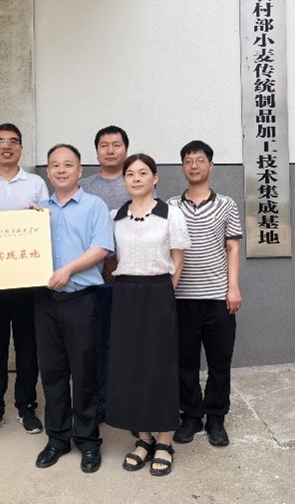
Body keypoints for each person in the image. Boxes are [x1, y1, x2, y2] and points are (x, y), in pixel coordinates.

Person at [105, 154, 190, 476]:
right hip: (125, 293)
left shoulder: (171, 214)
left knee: (160, 365)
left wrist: (166, 292)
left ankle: (165, 440)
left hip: (158, 291)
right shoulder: (115, 216)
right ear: (124, 180)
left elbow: (178, 257)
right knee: (130, 366)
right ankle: (143, 438)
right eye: (130, 174)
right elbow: (109, 257)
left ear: (155, 178)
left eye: (143, 173)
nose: (136, 178)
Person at [33, 144, 114, 473]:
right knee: (52, 373)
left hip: (82, 299)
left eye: (68, 165)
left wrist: (68, 269)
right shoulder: (38, 211)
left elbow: (102, 247)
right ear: (48, 172)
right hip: (45, 302)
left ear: (80, 171)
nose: (61, 170)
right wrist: (26, 226)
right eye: (55, 165)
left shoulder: (94, 206)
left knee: (84, 373)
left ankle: (88, 439)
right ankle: (57, 438)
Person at [0, 123, 48, 441]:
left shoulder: (36, 184)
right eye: (0, 141)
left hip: (29, 283)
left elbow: (46, 225)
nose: (7, 146)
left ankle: (26, 406)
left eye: (13, 141)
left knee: (29, 347)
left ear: (20, 148)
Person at [168, 140, 243, 447]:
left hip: (217, 298)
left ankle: (215, 417)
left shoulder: (226, 204)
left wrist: (233, 287)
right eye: (188, 161)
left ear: (211, 165)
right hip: (181, 298)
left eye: (200, 160)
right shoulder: (171, 206)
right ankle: (190, 416)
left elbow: (232, 247)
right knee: (184, 362)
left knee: (219, 362)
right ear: (182, 167)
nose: (194, 166)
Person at [79, 125, 130, 422]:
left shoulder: (135, 180)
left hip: (128, 279)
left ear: (126, 149)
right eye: (104, 145)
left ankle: (125, 402)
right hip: (91, 280)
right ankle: (100, 401)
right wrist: (103, 263)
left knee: (125, 343)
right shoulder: (84, 185)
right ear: (96, 151)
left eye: (116, 145)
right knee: (96, 344)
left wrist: (116, 262)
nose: (110, 150)